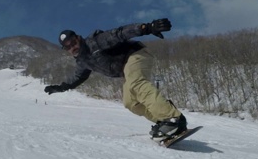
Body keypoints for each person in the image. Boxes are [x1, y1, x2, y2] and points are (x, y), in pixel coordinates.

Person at [44, 18, 186, 139]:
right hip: (126, 69)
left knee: (136, 84)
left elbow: (119, 33)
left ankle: (173, 119)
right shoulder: (82, 61)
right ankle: (162, 121)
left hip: (135, 55)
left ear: (78, 38)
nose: (72, 47)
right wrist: (62, 87)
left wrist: (147, 28)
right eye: (67, 47)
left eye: (73, 42)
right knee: (130, 103)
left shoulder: (95, 42)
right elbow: (77, 77)